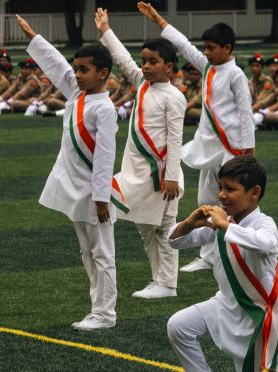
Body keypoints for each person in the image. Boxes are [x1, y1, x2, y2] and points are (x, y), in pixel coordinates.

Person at [167, 156, 278, 372]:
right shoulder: (224, 220)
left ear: (254, 192)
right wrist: (189, 224)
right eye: (220, 187)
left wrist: (224, 227)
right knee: (179, 327)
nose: (221, 195)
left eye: (230, 189)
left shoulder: (263, 223)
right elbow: (174, 241)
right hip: (225, 304)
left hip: (259, 315)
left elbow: (266, 243)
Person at [17, 15, 128, 330]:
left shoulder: (104, 109)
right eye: (76, 69)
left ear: (103, 74)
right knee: (88, 253)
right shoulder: (78, 95)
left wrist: (102, 197)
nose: (76, 74)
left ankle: (106, 314)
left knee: (103, 254)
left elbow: (105, 157)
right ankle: (97, 308)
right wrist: (35, 37)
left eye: (84, 70)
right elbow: (56, 66)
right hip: (78, 191)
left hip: (96, 195)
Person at [137, 1, 255, 273]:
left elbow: (245, 112)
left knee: (228, 200)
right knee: (205, 197)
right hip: (208, 145)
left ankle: (227, 250)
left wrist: (248, 149)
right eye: (206, 48)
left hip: (231, 147)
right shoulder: (208, 68)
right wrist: (159, 21)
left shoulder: (236, 75)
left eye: (212, 48)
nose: (206, 52)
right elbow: (184, 46)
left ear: (227, 49)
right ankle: (207, 253)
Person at [96, 8, 186, 299]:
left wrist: (172, 176)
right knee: (145, 227)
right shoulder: (143, 85)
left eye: (153, 62)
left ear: (169, 67)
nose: (146, 66)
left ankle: (168, 284)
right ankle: (158, 279)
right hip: (136, 171)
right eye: (145, 61)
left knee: (165, 228)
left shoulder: (175, 97)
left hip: (160, 175)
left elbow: (175, 140)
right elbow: (123, 60)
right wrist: (106, 31)